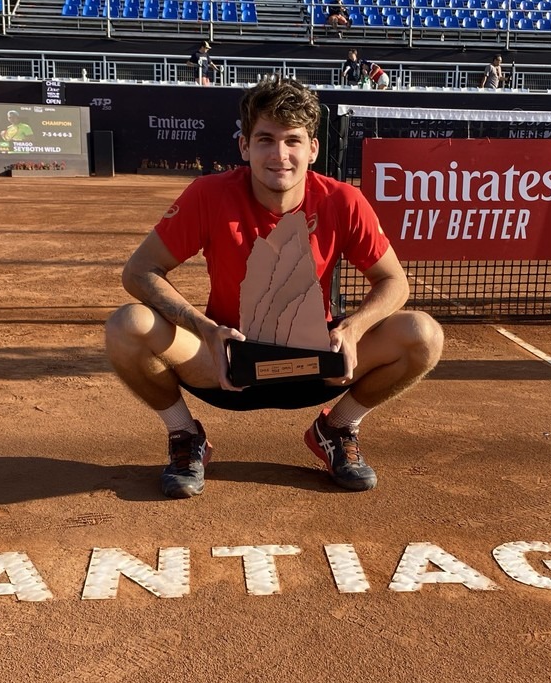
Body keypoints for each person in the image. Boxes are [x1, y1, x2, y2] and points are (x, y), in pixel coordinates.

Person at [104, 76, 443, 499]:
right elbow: (139, 271)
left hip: (316, 363)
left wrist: (353, 328)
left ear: (312, 149)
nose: (279, 154)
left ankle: (336, 429)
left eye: (293, 141)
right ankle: (185, 436)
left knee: (422, 334)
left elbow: (394, 281)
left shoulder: (342, 199)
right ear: (244, 146)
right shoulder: (209, 194)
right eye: (265, 139)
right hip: (226, 363)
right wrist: (205, 329)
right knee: (127, 325)